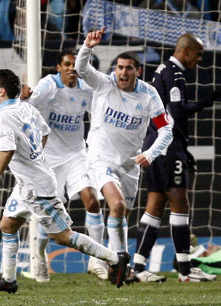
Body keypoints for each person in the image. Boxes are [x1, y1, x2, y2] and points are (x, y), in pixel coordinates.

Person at [0, 69, 129, 293]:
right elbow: (45, 131)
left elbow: (7, 148)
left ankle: (115, 258)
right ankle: (8, 279)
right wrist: (36, 157)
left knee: (62, 237)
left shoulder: (0, 117)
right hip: (27, 183)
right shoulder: (26, 107)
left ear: (1, 91)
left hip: (37, 187)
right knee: (7, 225)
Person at [131, 33, 221, 283]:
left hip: (153, 146)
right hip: (167, 147)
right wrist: (207, 101)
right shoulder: (175, 74)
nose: (199, 59)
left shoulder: (161, 70)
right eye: (198, 54)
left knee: (154, 205)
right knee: (180, 203)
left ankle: (139, 267)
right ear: (185, 52)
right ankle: (185, 270)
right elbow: (177, 112)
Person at [75, 27, 173, 262]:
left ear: (138, 71)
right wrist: (88, 46)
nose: (123, 72)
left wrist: (151, 153)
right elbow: (81, 68)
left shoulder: (148, 94)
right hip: (100, 158)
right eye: (119, 67)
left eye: (129, 68)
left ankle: (107, 263)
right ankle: (120, 259)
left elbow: (166, 129)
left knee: (122, 215)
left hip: (130, 163)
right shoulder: (103, 84)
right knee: (116, 204)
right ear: (114, 70)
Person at [20, 49, 107, 282]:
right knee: (49, 217)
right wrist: (25, 96)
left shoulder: (85, 89)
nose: (71, 68)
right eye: (66, 64)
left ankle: (96, 260)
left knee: (92, 200)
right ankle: (39, 258)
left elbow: (101, 108)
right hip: (49, 159)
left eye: (74, 65)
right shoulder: (49, 85)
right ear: (58, 67)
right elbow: (28, 105)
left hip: (77, 154)